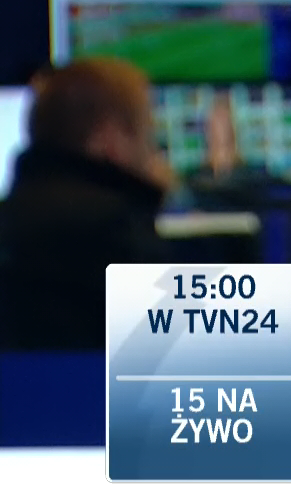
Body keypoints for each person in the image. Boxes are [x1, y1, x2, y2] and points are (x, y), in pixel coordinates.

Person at [0, 59, 171, 349]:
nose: (153, 152)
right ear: (110, 141)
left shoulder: (9, 223)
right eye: (147, 136)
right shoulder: (121, 237)